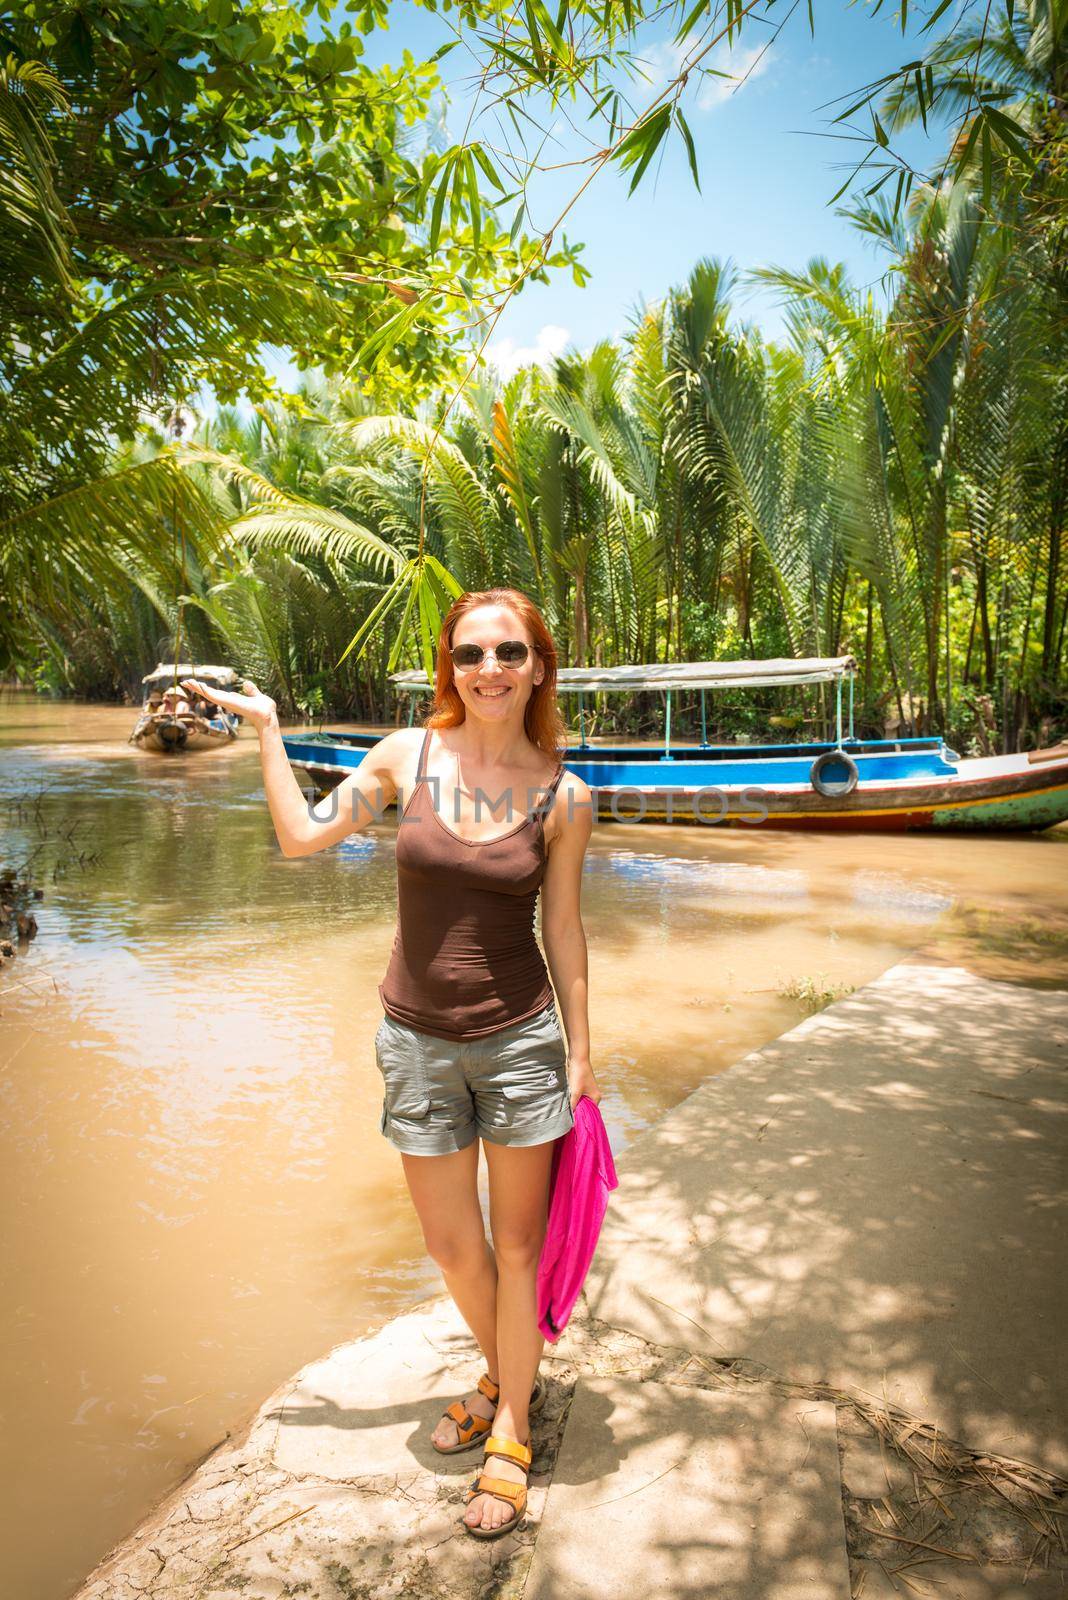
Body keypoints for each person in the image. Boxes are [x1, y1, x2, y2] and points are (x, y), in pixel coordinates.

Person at [180, 587, 599, 1540]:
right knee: (454, 1247)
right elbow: (303, 838)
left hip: (522, 1040)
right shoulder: (405, 759)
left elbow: (565, 930)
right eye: (469, 653)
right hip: (413, 1041)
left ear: (538, 666)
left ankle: (514, 1426)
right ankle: (504, 1368)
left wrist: (583, 1051)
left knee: (520, 1247)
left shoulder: (562, 794)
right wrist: (269, 729)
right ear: (449, 666)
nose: (488, 669)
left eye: (509, 652)